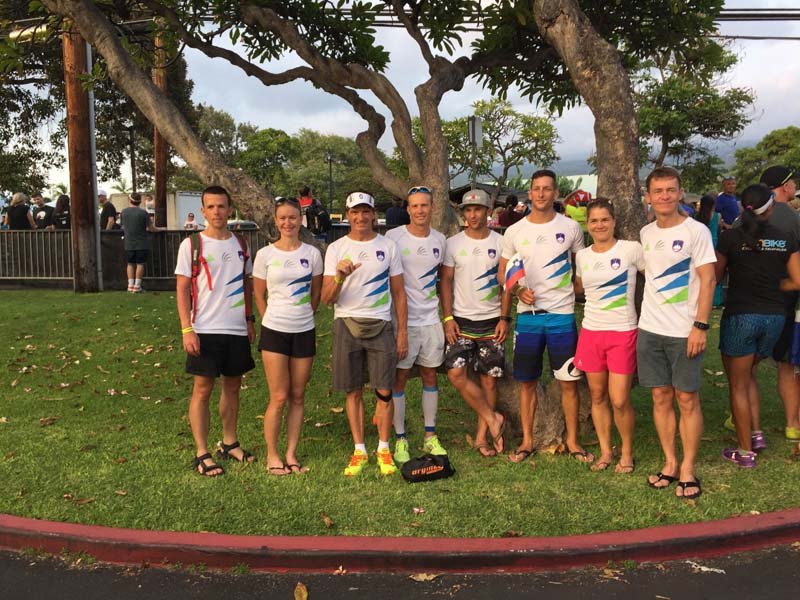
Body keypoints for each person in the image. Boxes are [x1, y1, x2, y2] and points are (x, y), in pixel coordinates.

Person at [499, 170, 588, 464]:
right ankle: (527, 440)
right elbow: (502, 274)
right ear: (529, 193)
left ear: (555, 192)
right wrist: (517, 290)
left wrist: (577, 288)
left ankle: (573, 441)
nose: (541, 193)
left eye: (547, 188)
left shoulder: (571, 227)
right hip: (528, 318)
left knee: (568, 382)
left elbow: (582, 267)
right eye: (536, 188)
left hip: (562, 316)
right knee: (527, 382)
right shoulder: (514, 231)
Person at [638, 166, 716, 500]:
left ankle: (688, 468)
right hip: (650, 328)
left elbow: (709, 279)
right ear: (648, 197)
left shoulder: (697, 231)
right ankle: (670, 463)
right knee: (660, 396)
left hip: (685, 331)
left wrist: (700, 326)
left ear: (681, 193)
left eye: (671, 190)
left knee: (687, 398)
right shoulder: (646, 233)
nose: (665, 196)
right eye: (658, 191)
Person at [322, 191, 408, 476]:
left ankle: (384, 448)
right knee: (353, 390)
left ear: (373, 214)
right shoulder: (336, 249)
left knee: (385, 390)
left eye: (365, 211)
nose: (360, 217)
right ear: (348, 215)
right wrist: (339, 277)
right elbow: (327, 298)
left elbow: (399, 293)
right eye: (355, 212)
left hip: (381, 323)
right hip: (346, 323)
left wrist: (402, 333)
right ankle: (359, 450)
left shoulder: (388, 246)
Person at [716, 183, 800, 468]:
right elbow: (797, 281)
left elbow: (715, 276)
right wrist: (775, 287)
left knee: (738, 384)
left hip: (741, 317)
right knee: (749, 373)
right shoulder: (785, 238)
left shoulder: (730, 237)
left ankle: (745, 451)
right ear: (771, 207)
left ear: (742, 207)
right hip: (774, 319)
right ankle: (756, 433)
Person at [175, 185, 256, 477]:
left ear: (229, 209)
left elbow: (247, 284)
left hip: (235, 328)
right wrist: (187, 329)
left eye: (221, 206)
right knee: (203, 388)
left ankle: (229, 442)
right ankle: (202, 452)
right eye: (210, 207)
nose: (217, 212)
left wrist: (249, 320)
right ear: (203, 210)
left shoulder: (242, 244)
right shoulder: (192, 245)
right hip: (204, 328)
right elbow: (182, 289)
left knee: (233, 387)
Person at [252, 197, 323, 475]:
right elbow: (259, 294)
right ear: (276, 221)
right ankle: (273, 454)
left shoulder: (312, 254)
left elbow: (315, 294)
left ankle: (291, 453)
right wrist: (268, 318)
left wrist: (303, 314)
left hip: (304, 330)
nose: (288, 222)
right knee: (279, 396)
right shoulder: (265, 255)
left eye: (292, 217)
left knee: (298, 395)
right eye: (282, 218)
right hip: (274, 332)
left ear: (300, 219)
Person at [573, 199, 643, 473]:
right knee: (597, 395)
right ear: (587, 224)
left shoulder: (631, 249)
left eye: (605, 219)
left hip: (623, 332)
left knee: (620, 399)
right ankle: (605, 452)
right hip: (591, 332)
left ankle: (627, 452)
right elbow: (579, 288)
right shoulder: (582, 256)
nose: (599, 225)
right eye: (594, 220)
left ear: (614, 221)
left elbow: (654, 277)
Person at [441, 189, 509, 457]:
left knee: (489, 381)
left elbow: (507, 284)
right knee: (456, 374)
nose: (472, 215)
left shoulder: (502, 242)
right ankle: (493, 419)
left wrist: (504, 318)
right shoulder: (453, 244)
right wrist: (448, 317)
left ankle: (482, 438)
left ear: (488, 211)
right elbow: (446, 281)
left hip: (492, 322)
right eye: (468, 210)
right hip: (460, 320)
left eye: (478, 209)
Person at [385, 186, 447, 464]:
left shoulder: (440, 240)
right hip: (403, 322)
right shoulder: (393, 238)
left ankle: (430, 435)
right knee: (399, 379)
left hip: (431, 320)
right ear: (408, 209)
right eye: (415, 206)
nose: (420, 210)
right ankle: (400, 437)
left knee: (430, 376)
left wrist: (446, 316)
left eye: (424, 205)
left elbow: (443, 280)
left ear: (432, 207)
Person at [759, 166, 800, 442]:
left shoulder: (744, 218)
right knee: (787, 362)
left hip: (750, 300)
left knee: (747, 362)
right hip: (786, 297)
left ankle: (740, 415)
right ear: (785, 186)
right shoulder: (794, 218)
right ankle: (792, 423)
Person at [120, 192, 161, 293]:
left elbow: (123, 226)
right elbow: (151, 228)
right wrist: (160, 229)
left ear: (130, 200)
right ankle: (137, 286)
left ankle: (130, 285)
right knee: (140, 264)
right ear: (140, 201)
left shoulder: (123, 212)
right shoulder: (143, 213)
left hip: (128, 243)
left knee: (130, 264)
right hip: (142, 243)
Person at [695, 193, 724, 306]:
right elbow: (719, 229)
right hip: (714, 243)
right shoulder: (717, 216)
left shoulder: (697, 216)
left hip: (701, 243)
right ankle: (716, 299)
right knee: (714, 272)